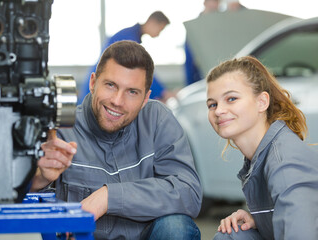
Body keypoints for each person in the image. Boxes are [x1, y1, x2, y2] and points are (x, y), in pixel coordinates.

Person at [31, 40, 202, 240]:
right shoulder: (61, 129)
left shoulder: (157, 120)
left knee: (177, 227)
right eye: (111, 85)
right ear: (93, 83)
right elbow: (19, 196)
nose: (117, 101)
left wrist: (109, 197)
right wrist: (39, 177)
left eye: (132, 92)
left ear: (145, 98)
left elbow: (188, 192)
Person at [205, 56, 318, 239]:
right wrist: (261, 219)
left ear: (262, 102)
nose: (218, 111)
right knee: (231, 236)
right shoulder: (261, 155)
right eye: (212, 104)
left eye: (231, 99)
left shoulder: (284, 161)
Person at [78, 11, 173, 104]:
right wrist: (163, 93)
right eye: (160, 29)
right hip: (100, 89)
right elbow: (141, 73)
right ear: (152, 22)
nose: (158, 34)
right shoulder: (129, 39)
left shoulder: (131, 35)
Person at [184, 0, 220, 86]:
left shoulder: (219, 25)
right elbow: (189, 60)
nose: (215, 5)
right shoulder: (194, 27)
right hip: (197, 74)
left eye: (217, 2)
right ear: (205, 3)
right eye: (212, 2)